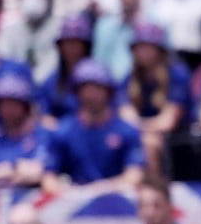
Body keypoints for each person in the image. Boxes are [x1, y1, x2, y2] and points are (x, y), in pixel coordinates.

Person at [43, 59, 147, 194]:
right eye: (86, 89)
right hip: (73, 204)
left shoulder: (127, 131)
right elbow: (48, 179)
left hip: (118, 204)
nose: (91, 95)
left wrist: (101, 189)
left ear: (108, 92)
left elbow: (135, 176)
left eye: (97, 89)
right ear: (77, 92)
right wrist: (73, 193)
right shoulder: (63, 131)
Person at [118, 22, 193, 179]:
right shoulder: (130, 78)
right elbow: (124, 118)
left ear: (160, 50)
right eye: (139, 47)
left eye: (148, 46)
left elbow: (167, 122)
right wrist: (142, 128)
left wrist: (139, 126)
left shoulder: (178, 74)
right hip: (142, 135)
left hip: (181, 141)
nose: (143, 52)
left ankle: (157, 191)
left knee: (149, 142)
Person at [0, 74, 50, 188]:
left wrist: (11, 168)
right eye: (4, 105)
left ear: (25, 106)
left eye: (13, 105)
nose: (8, 110)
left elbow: (41, 172)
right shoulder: (0, 140)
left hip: (38, 200)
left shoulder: (43, 135)